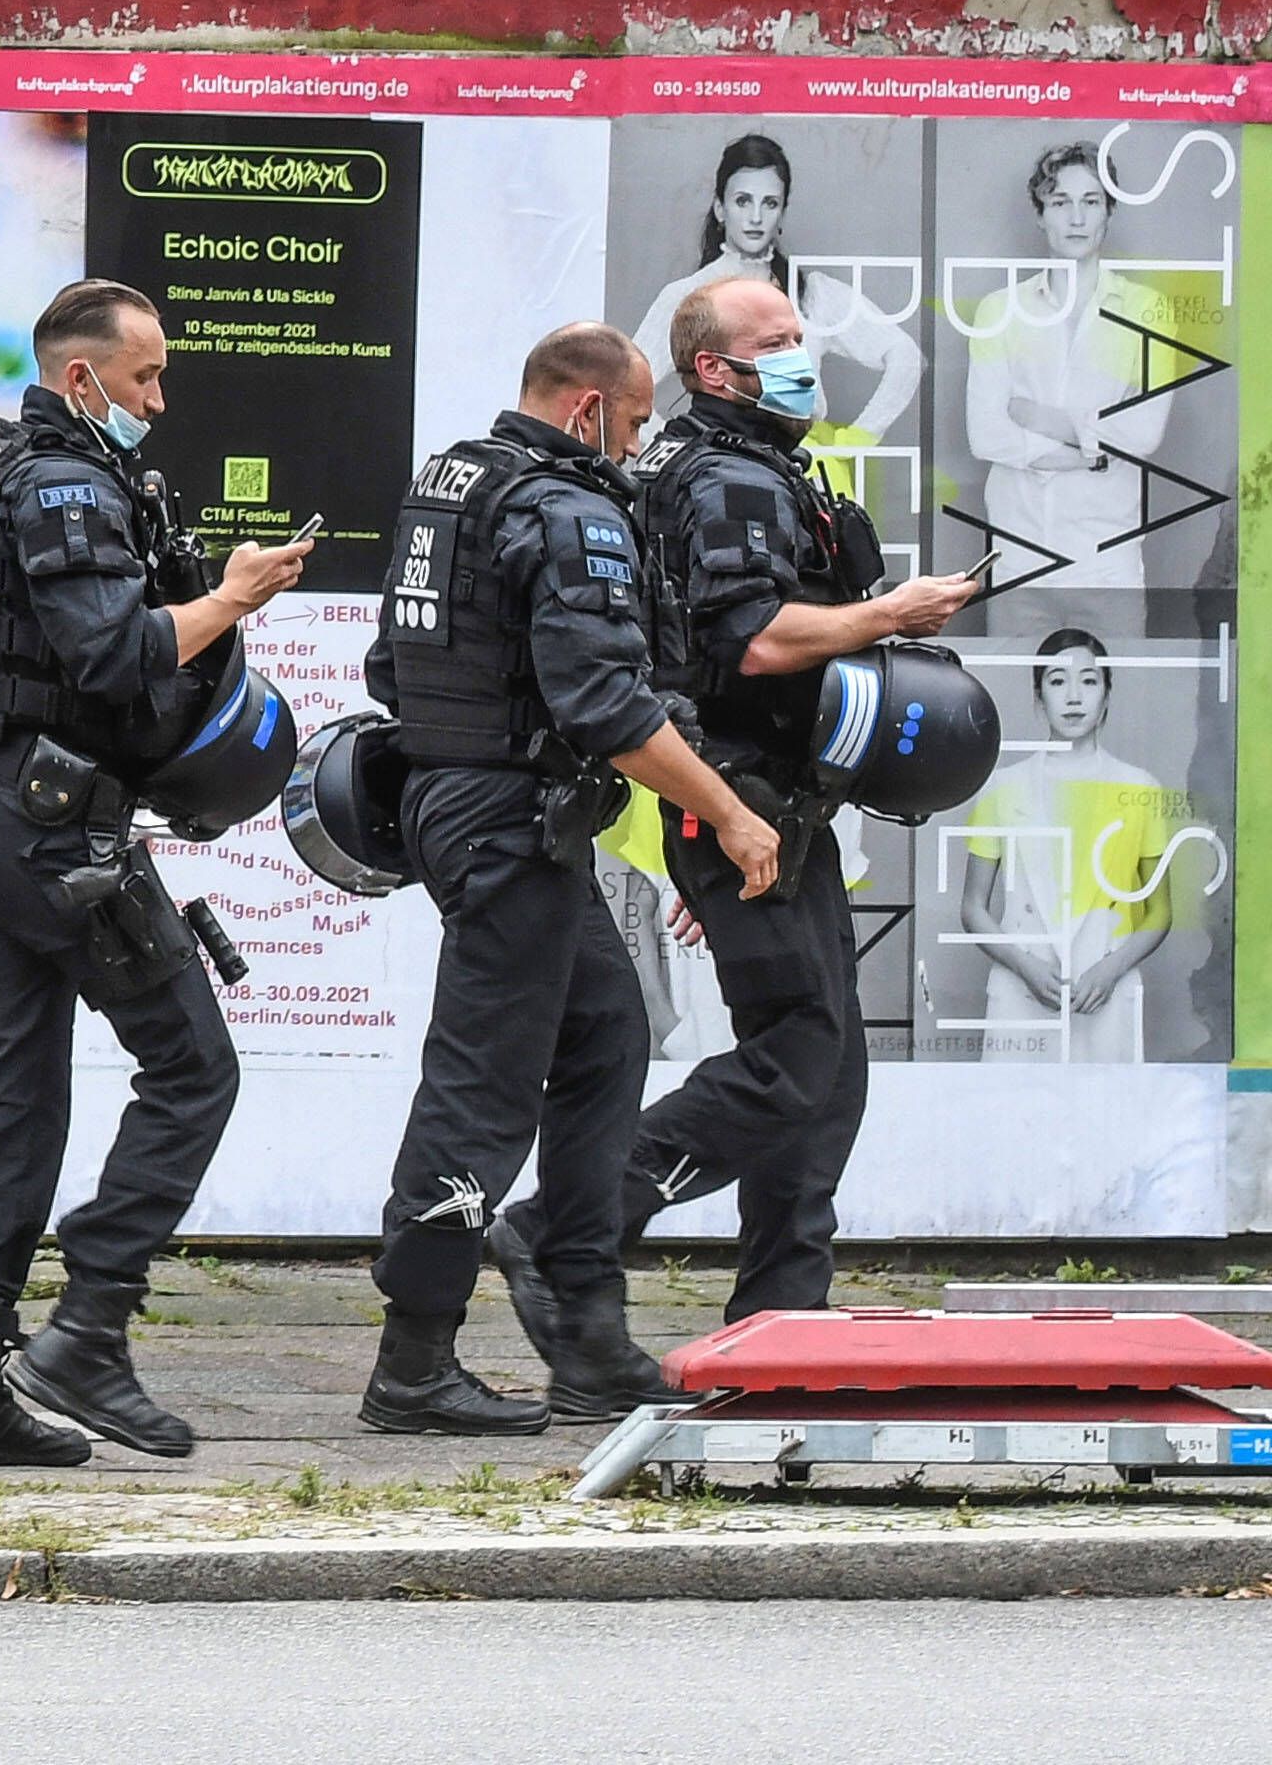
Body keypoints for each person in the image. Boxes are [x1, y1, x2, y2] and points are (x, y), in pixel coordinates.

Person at [524, 276, 976, 1339]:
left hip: (769, 813)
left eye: (798, 334)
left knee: (829, 1068)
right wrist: (889, 612)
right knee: (797, 1054)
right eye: (773, 341)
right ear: (715, 370)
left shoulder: (735, 461)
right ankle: (565, 1221)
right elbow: (755, 641)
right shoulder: (726, 476)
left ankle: (782, 1316)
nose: (800, 353)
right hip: (742, 804)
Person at [0, 280, 307, 1470]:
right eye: (144, 378)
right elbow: (114, 651)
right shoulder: (62, 480)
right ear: (82, 378)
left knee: (14, 1099)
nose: (159, 399)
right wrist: (230, 597)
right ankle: (87, 1325)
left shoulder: (0, 464)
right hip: (52, 827)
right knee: (193, 1066)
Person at [359, 322, 781, 1433]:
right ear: (589, 409)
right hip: (508, 820)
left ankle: (586, 1328)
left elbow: (386, 663)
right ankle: (413, 1359)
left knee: (604, 1032)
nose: (641, 446)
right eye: (637, 423)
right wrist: (728, 812)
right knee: (483, 1082)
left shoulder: (447, 482)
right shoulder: (567, 506)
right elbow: (607, 706)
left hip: (469, 806)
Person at [950, 631, 1178, 1062]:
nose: (1074, 697)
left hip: (1105, 987)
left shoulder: (1139, 788)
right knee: (1016, 1117)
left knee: (1105, 1121)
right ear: (1038, 698)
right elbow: (973, 907)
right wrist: (1025, 965)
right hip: (1023, 986)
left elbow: (1160, 911)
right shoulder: (1004, 787)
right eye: (1057, 682)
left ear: (1108, 694)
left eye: (1089, 682)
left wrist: (1111, 970)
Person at [962, 142, 1176, 594]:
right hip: (1018, 556)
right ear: (1041, 214)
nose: (1076, 218)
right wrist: (1090, 454)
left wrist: (1042, 419)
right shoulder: (1000, 309)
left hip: (1109, 560)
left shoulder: (1148, 310)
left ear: (1109, 212)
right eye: (1060, 202)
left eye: (1091, 201)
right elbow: (985, 434)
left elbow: (1143, 435)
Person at [624, 133, 920, 448]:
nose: (755, 217)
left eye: (769, 203)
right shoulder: (685, 297)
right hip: (721, 469)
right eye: (742, 201)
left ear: (781, 212)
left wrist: (858, 439)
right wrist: (681, 451)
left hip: (802, 471)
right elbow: (625, 389)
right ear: (720, 209)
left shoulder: (810, 294)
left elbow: (906, 356)